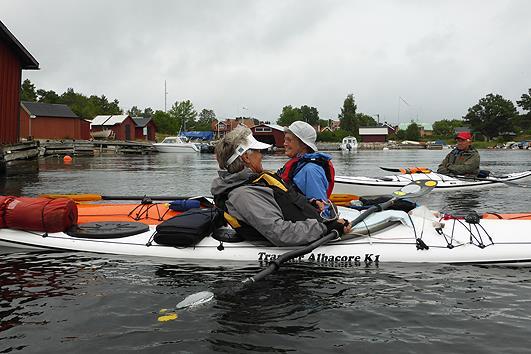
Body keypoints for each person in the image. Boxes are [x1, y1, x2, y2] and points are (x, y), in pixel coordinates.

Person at [211, 126, 350, 247]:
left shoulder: (253, 183)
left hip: (310, 228)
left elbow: (279, 202)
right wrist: (325, 227)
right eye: (258, 152)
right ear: (246, 158)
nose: (261, 156)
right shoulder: (243, 195)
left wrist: (310, 202)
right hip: (304, 236)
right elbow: (280, 233)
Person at [277, 121, 335, 212]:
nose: (285, 143)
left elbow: (320, 209)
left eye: (289, 140)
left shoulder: (311, 170)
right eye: (285, 140)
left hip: (306, 224)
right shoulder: (299, 165)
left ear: (304, 144)